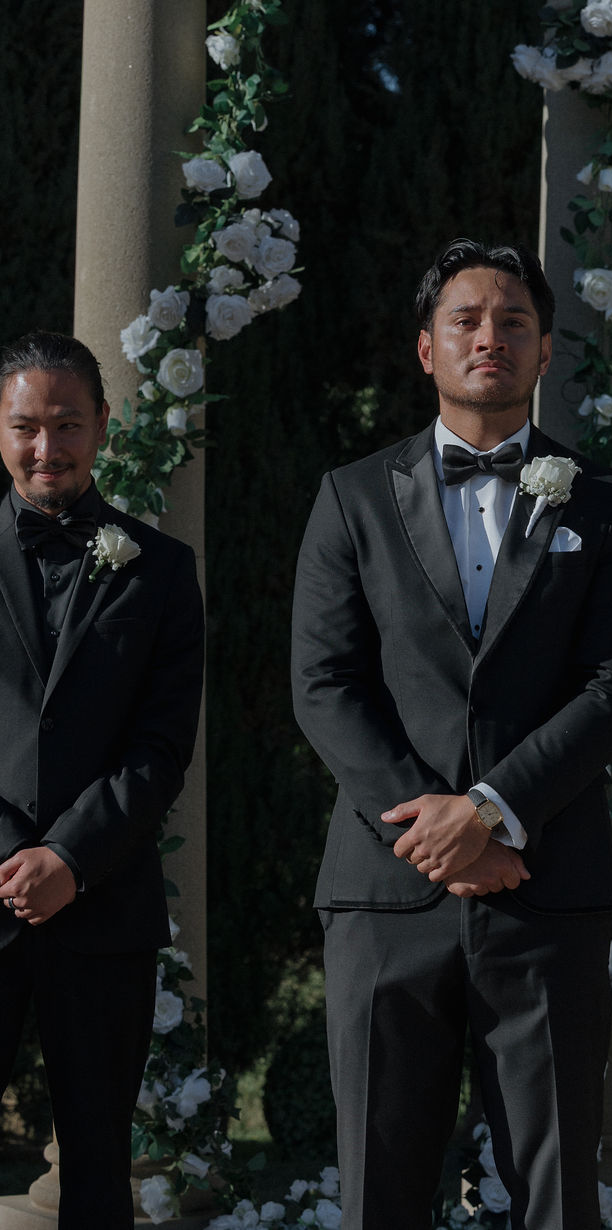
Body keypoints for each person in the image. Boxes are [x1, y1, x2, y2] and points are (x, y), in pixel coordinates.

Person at [291, 238, 612, 1229]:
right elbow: (323, 684)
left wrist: (494, 812)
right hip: (384, 893)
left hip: (544, 892)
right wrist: (436, 829)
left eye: (513, 322)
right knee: (381, 1184)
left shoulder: (605, 504)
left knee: (553, 1193)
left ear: (543, 355)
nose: (488, 336)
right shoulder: (351, 498)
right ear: (425, 349)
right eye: (466, 319)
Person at [0, 332, 204, 1229]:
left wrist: (71, 859)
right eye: (27, 426)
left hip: (104, 902)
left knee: (97, 1166)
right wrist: (15, 859)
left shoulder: (159, 569)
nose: (49, 447)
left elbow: (161, 748)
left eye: (68, 424)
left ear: (103, 427)